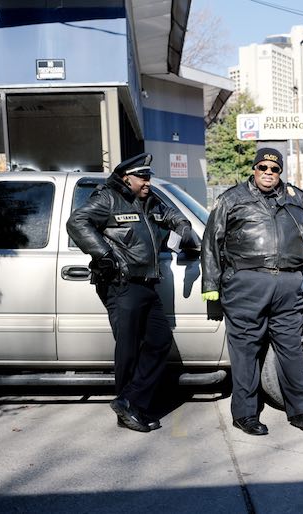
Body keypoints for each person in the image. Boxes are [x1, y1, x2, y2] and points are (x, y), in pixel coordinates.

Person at [201, 147, 303, 436]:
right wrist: (210, 285)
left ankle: (302, 412)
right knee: (246, 353)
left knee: (292, 351)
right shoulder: (232, 199)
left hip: (288, 288)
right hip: (246, 285)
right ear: (254, 169)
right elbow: (211, 242)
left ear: (280, 172)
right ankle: (245, 414)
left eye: (274, 169)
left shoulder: (297, 199)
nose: (268, 173)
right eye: (263, 168)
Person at [67, 153, 194, 433]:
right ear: (127, 178)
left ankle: (129, 402)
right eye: (143, 177)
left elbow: (173, 216)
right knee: (128, 350)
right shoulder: (108, 198)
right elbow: (77, 222)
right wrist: (103, 254)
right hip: (121, 283)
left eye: (149, 176)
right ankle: (129, 410)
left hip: (147, 284)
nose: (148, 182)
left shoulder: (148, 200)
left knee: (160, 342)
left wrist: (182, 228)